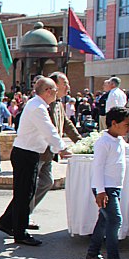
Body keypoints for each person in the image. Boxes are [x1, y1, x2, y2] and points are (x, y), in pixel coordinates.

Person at [0, 77, 72, 246]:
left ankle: (8, 222)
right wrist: (62, 148)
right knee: (25, 194)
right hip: (26, 154)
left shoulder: (37, 105)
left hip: (28, 153)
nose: (56, 94)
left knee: (24, 192)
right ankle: (20, 233)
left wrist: (58, 148)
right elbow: (48, 131)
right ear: (47, 92)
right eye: (54, 91)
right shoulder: (37, 107)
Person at [87, 107, 129, 259]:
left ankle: (93, 252)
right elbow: (97, 168)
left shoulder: (118, 139)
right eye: (127, 124)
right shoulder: (103, 143)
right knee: (115, 220)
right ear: (114, 123)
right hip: (105, 188)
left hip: (113, 187)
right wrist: (100, 191)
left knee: (104, 220)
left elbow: (126, 149)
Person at [28, 72, 82, 227]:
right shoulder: (43, 104)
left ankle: (24, 211)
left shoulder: (58, 103)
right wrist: (61, 148)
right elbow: (48, 130)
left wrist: (81, 143)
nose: (68, 86)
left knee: (46, 181)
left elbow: (66, 124)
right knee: (30, 185)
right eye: (64, 83)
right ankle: (24, 214)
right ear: (53, 85)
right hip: (38, 150)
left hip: (49, 152)